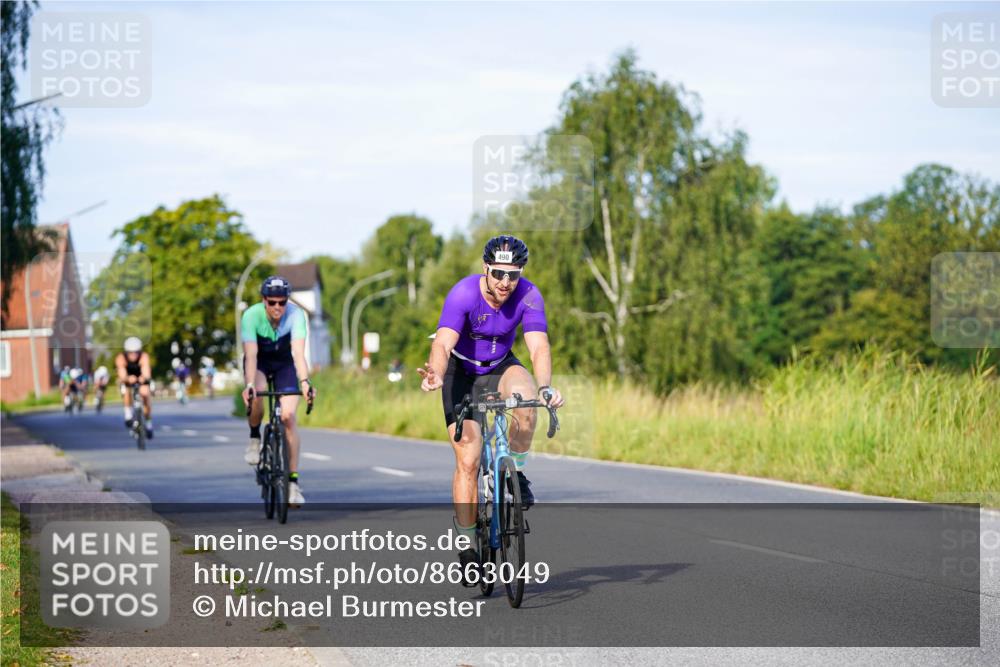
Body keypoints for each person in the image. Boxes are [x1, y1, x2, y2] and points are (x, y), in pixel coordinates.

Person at [417, 235, 564, 580]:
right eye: (498, 273)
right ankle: (468, 544)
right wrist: (436, 374)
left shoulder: (528, 294)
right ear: (486, 268)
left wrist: (545, 388)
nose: (504, 282)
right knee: (468, 459)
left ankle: (516, 472)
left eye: (512, 275)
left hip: (500, 365)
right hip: (461, 370)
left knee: (527, 405)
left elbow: (538, 347)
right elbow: (442, 341)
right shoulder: (464, 293)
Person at [240, 276, 315, 507]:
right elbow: (251, 355)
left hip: (284, 364)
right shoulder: (251, 316)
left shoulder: (295, 315)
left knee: (288, 417)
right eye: (272, 302)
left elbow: (298, 354)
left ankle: (292, 484)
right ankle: (255, 437)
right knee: (259, 394)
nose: (277, 307)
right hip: (260, 363)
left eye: (282, 302)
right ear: (264, 300)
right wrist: (250, 385)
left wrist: (304, 382)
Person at [116, 337, 153, 439]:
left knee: (145, 394)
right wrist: (127, 378)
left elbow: (146, 371)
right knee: (126, 390)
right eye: (131, 352)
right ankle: (128, 414)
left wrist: (143, 378)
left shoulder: (144, 356)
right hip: (128, 378)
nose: (133, 355)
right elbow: (122, 374)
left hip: (140, 377)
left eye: (136, 352)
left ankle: (149, 424)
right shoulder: (121, 358)